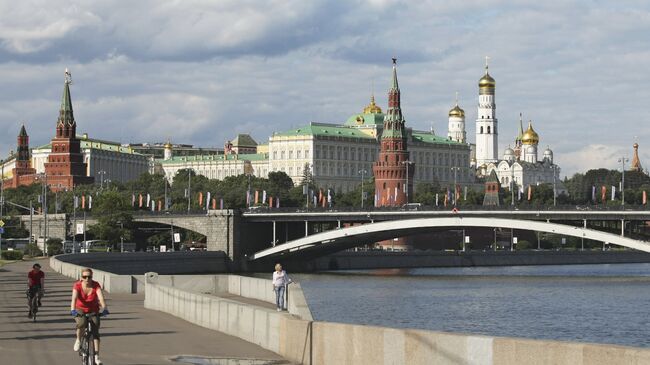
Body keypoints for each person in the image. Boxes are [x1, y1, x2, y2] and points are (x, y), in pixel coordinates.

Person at [70, 268, 109, 365]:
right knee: (81, 323)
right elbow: (74, 299)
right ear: (81, 277)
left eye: (89, 277)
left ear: (92, 277)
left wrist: (104, 308)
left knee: (96, 332)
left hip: (93, 310)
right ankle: (78, 340)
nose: (87, 279)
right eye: (84, 277)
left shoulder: (96, 285)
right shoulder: (77, 285)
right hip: (80, 309)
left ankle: (96, 357)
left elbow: (101, 298)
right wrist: (72, 310)